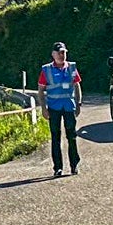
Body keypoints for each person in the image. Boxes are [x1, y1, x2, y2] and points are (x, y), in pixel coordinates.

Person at [38, 42, 82, 177]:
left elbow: (77, 85)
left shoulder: (72, 67)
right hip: (54, 108)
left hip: (69, 106)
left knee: (72, 137)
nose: (61, 55)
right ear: (53, 54)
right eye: (59, 53)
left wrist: (79, 103)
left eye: (63, 52)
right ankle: (58, 167)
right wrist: (44, 108)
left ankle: (74, 165)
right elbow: (40, 90)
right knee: (55, 137)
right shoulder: (46, 70)